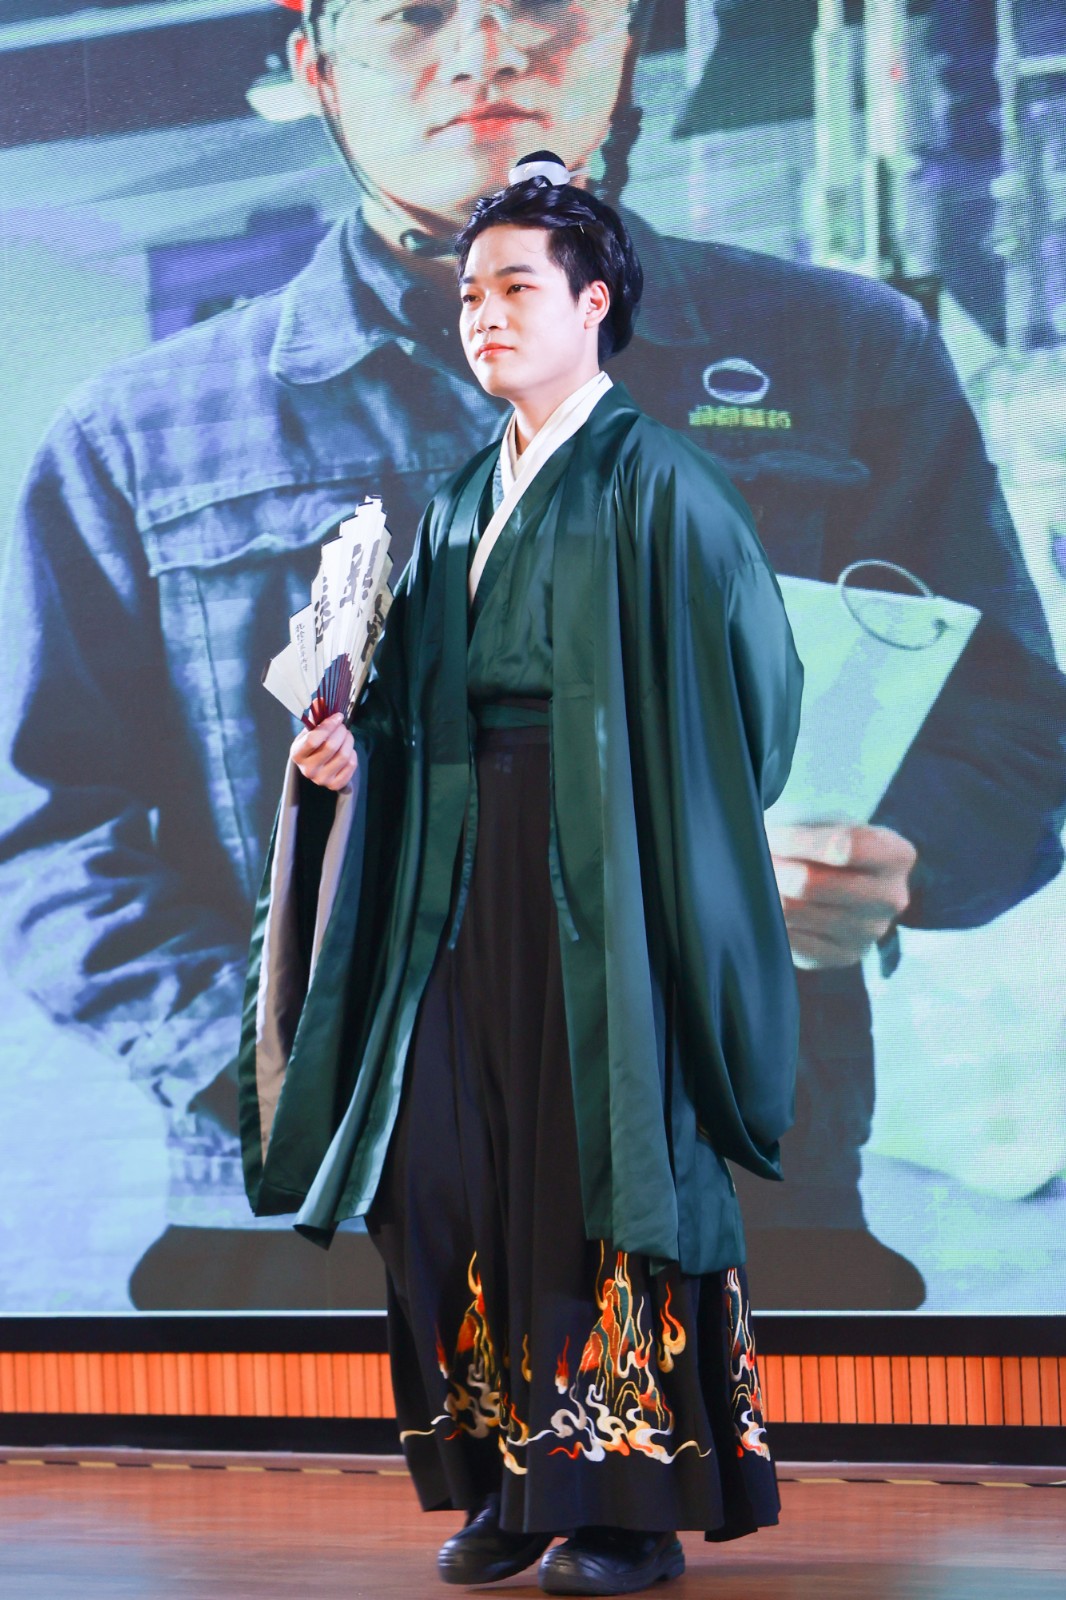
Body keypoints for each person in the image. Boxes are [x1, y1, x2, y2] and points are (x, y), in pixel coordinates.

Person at [1, 0, 1064, 1311]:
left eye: (547, 5)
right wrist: (275, 1065)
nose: (488, 46)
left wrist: (905, 855)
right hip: (316, 1227)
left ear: (627, 43)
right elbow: (46, 836)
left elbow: (1012, 728)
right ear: (318, 67)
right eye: (417, 13)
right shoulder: (138, 442)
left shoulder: (840, 356)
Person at [242, 151, 802, 1595]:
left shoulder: (663, 481)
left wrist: (658, 819)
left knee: (590, 1168)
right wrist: (345, 758)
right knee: (437, 1160)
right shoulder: (450, 502)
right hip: (447, 870)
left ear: (593, 302)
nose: (483, 315)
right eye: (468, 295)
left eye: (515, 288)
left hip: (606, 872)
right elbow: (403, 702)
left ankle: (620, 1506)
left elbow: (756, 694)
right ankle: (504, 1474)